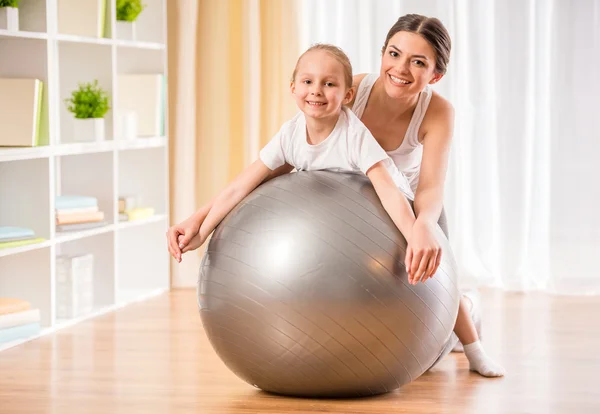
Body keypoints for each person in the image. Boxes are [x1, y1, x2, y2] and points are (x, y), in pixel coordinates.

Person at [167, 40, 504, 377]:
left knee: (439, 298)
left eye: (329, 84)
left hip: (402, 209)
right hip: (345, 222)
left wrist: (414, 235)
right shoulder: (290, 134)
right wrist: (202, 227)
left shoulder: (355, 135)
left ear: (347, 96)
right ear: (293, 88)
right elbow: (243, 184)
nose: (317, 91)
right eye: (308, 82)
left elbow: (388, 191)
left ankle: (473, 344)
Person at [348, 14, 504, 377]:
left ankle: (473, 347)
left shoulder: (438, 111)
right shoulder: (354, 90)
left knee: (436, 277)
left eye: (418, 62)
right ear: (382, 54)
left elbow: (432, 185)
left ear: (435, 75)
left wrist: (423, 226)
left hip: (413, 203)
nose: (401, 69)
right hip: (355, 204)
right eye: (394, 54)